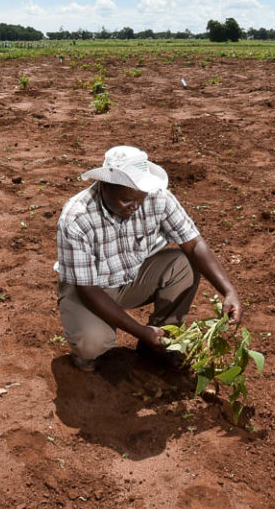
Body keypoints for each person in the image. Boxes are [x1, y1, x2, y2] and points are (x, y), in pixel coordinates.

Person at [55, 145, 242, 371]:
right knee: (92, 344)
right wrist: (140, 331)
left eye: (140, 199)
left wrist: (228, 291)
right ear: (105, 185)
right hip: (91, 288)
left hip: (133, 278)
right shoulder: (77, 218)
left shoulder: (156, 197)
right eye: (126, 200)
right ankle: (88, 352)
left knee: (184, 265)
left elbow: (194, 243)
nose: (135, 206)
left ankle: (161, 342)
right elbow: (88, 288)